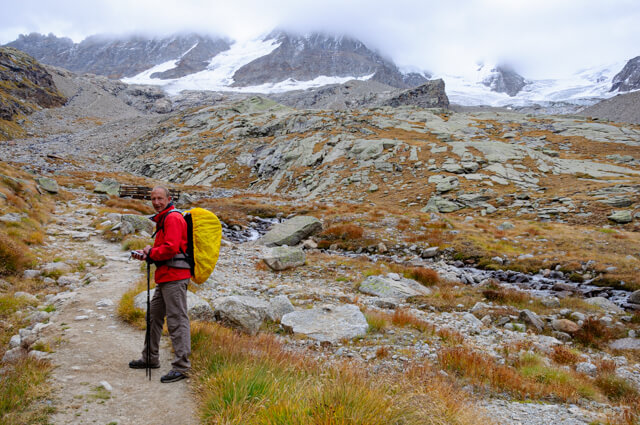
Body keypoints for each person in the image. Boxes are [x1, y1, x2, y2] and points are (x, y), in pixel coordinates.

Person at [129, 186, 191, 383]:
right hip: (165, 276)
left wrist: (151, 253)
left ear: (169, 198)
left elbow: (171, 248)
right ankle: (150, 358)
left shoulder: (172, 218)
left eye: (160, 198)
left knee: (177, 320)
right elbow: (166, 247)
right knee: (153, 316)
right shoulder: (163, 217)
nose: (156, 202)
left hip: (175, 277)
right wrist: (149, 252)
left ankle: (182, 367)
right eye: (153, 199)